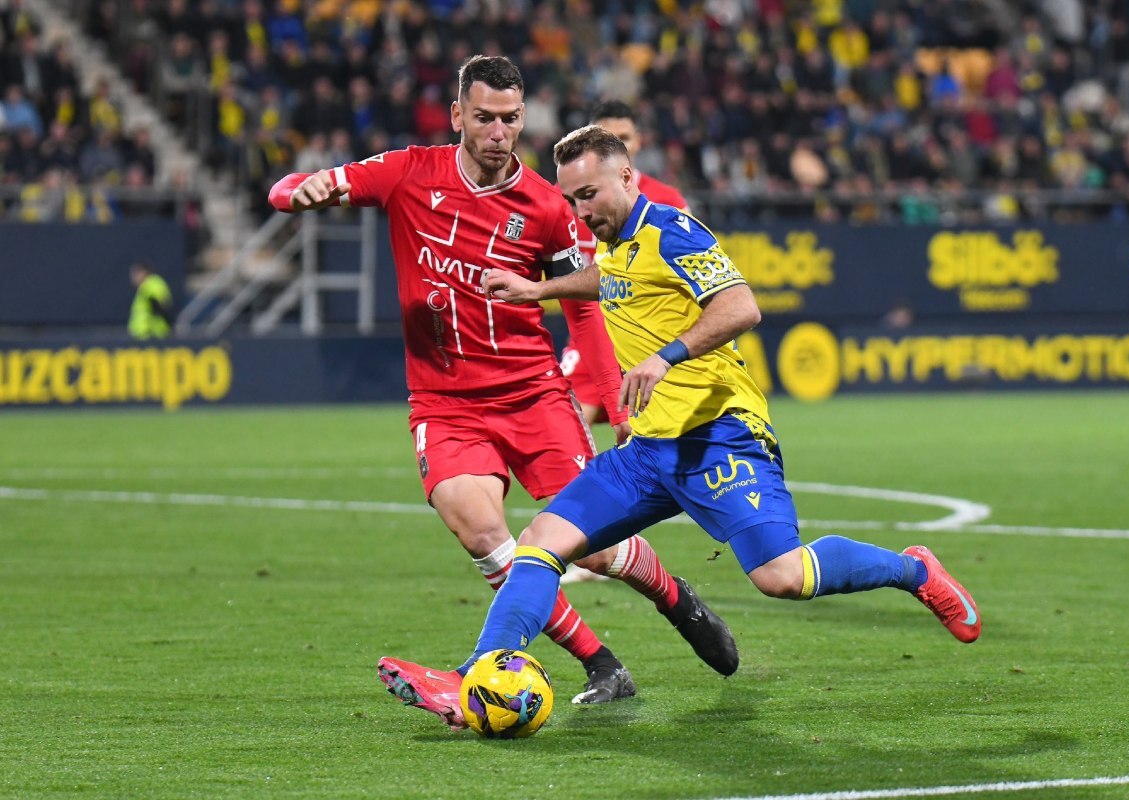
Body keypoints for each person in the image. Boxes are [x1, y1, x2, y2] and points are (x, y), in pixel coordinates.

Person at [379, 126, 982, 730]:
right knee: (540, 543)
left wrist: (665, 356)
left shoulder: (674, 230)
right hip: (645, 453)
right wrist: (540, 288)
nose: (581, 212)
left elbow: (742, 305)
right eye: (571, 200)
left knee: (781, 576)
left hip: (718, 437)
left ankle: (916, 571)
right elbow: (612, 279)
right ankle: (474, 675)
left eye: (589, 194)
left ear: (626, 176)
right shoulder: (614, 243)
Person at [266, 57, 737, 712]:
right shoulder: (407, 173)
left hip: (532, 396)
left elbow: (582, 308)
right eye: (483, 117)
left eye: (510, 119)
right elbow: (293, 183)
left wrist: (611, 395)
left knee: (593, 549)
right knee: (481, 530)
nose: (498, 131)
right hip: (445, 401)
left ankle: (674, 598)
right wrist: (298, 194)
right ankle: (599, 662)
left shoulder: (547, 206)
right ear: (457, 115)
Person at [560, 99, 690, 429]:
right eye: (607, 138)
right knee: (566, 429)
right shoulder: (565, 199)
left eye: (625, 138)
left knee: (651, 440)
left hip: (649, 340)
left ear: (639, 142)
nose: (617, 147)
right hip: (592, 339)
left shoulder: (668, 200)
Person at [127, 262, 174, 339]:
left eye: (136, 274)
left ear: (144, 272)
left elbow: (164, 305)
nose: (133, 277)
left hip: (152, 334)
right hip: (142, 335)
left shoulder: (152, 285)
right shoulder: (144, 287)